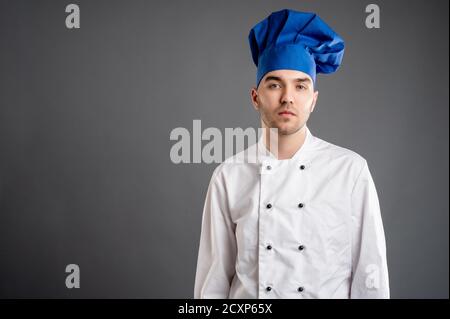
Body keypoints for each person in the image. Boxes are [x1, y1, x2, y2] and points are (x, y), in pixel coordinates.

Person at [194, 8, 389, 299]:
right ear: (255, 97)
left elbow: (370, 275)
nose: (287, 97)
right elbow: (213, 283)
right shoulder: (228, 176)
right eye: (274, 84)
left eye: (300, 86)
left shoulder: (350, 172)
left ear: (313, 100)